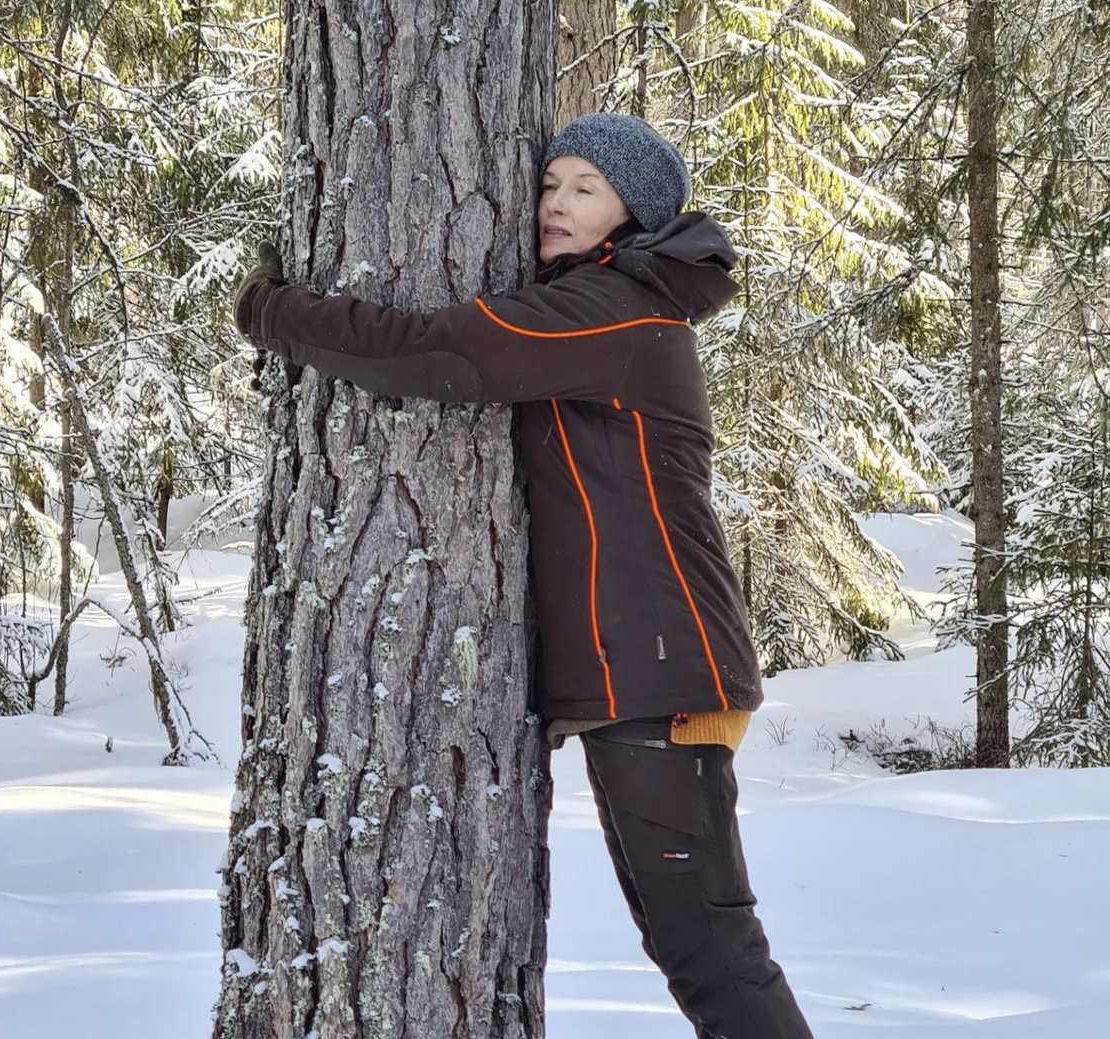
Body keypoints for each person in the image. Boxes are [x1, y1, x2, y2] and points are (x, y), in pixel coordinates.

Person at [234, 112, 815, 1039]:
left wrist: (271, 310)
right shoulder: (612, 300)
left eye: (586, 189)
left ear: (636, 215)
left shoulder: (617, 310)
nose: (556, 203)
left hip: (663, 675)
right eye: (551, 183)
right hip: (647, 670)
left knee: (711, 946)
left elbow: (436, 350)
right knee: (693, 944)